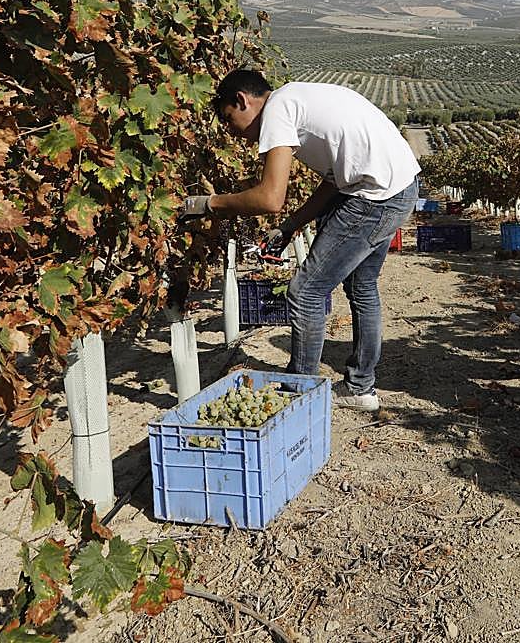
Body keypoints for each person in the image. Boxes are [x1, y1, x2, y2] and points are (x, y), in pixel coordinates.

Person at [180, 70, 420, 411]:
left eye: (231, 120)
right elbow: (334, 181)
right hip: (399, 185)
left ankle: (300, 394)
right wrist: (291, 225)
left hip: (375, 196)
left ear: (243, 101)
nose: (235, 133)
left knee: (305, 292)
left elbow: (269, 198)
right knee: (362, 287)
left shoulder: (277, 110)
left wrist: (208, 204)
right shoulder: (299, 100)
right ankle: (360, 389)